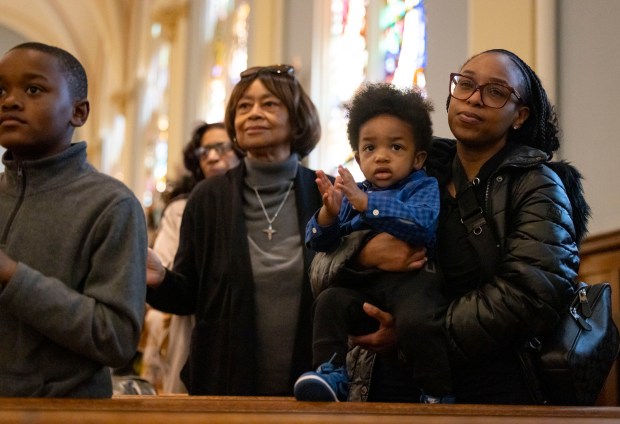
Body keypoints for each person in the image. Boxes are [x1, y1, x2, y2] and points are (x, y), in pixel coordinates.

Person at [310, 48, 590, 404]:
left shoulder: (537, 186)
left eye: (495, 92)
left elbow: (532, 294)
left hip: (490, 386)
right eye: (466, 84)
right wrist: (363, 255)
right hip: (383, 382)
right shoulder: (409, 170)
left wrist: (415, 334)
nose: (473, 99)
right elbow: (320, 269)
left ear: (519, 115)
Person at [146, 64, 326, 396]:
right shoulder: (208, 197)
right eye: (244, 106)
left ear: (297, 118)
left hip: (312, 385)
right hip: (224, 384)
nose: (253, 114)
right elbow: (190, 295)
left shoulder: (322, 192)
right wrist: (159, 279)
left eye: (269, 104)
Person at [0, 42, 147, 397]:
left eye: (33, 89)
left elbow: (115, 338)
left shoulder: (112, 205)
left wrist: (11, 276)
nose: (9, 101)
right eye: (0, 90)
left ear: (78, 113)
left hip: (65, 411)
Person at [294, 83, 452, 403]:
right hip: (365, 288)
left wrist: (369, 205)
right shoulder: (355, 193)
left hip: (412, 284)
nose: (381, 156)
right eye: (370, 148)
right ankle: (331, 372)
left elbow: (422, 226)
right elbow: (320, 245)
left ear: (418, 157)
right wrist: (328, 214)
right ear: (358, 156)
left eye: (395, 147)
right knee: (329, 302)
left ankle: (436, 390)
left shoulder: (423, 187)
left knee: (418, 320)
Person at [143, 121, 242, 394]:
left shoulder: (257, 205)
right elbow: (170, 271)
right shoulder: (182, 209)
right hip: (194, 326)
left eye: (221, 148)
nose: (211, 156)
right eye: (204, 151)